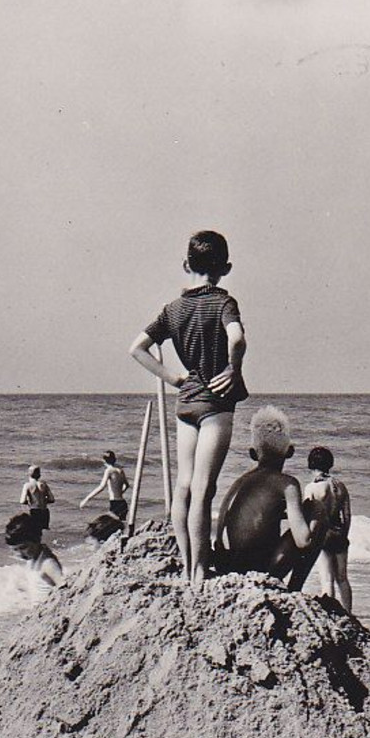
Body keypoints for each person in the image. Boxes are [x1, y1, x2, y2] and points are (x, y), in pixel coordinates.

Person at [129, 230, 248, 588]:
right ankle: (199, 570)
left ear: (186, 265)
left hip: (186, 403)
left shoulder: (173, 309)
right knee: (203, 488)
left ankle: (185, 564)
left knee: (183, 486)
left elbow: (136, 348)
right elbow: (238, 337)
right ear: (225, 268)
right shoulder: (225, 302)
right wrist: (233, 369)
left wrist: (173, 379)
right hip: (215, 404)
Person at [213, 407, 326, 591]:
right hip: (259, 571)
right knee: (317, 509)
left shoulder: (241, 482)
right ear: (290, 452)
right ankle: (295, 588)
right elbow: (303, 541)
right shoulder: (287, 484)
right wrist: (312, 513)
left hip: (226, 567)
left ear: (252, 453)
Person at [304, 446, 352, 612]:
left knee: (327, 579)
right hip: (339, 533)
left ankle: (331, 613)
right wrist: (344, 535)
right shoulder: (340, 486)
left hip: (323, 535)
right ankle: (348, 613)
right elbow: (347, 515)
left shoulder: (312, 488)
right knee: (343, 579)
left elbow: (308, 515)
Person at [4, 513, 63, 590]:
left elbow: (63, 586)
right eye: (15, 550)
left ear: (36, 540)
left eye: (23, 548)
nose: (20, 553)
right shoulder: (32, 558)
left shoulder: (48, 564)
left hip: (45, 602)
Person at [79, 451, 129, 521]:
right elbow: (127, 485)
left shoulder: (109, 471)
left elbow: (101, 487)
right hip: (123, 503)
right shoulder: (120, 470)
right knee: (120, 526)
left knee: (110, 526)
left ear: (105, 460)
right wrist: (120, 492)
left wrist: (86, 499)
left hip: (115, 503)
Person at [19, 465, 55, 533]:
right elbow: (52, 499)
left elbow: (22, 501)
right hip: (45, 511)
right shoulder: (44, 484)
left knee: (34, 532)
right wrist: (44, 501)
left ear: (28, 474)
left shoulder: (27, 485)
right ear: (39, 475)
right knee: (44, 531)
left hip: (34, 511)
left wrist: (29, 502)